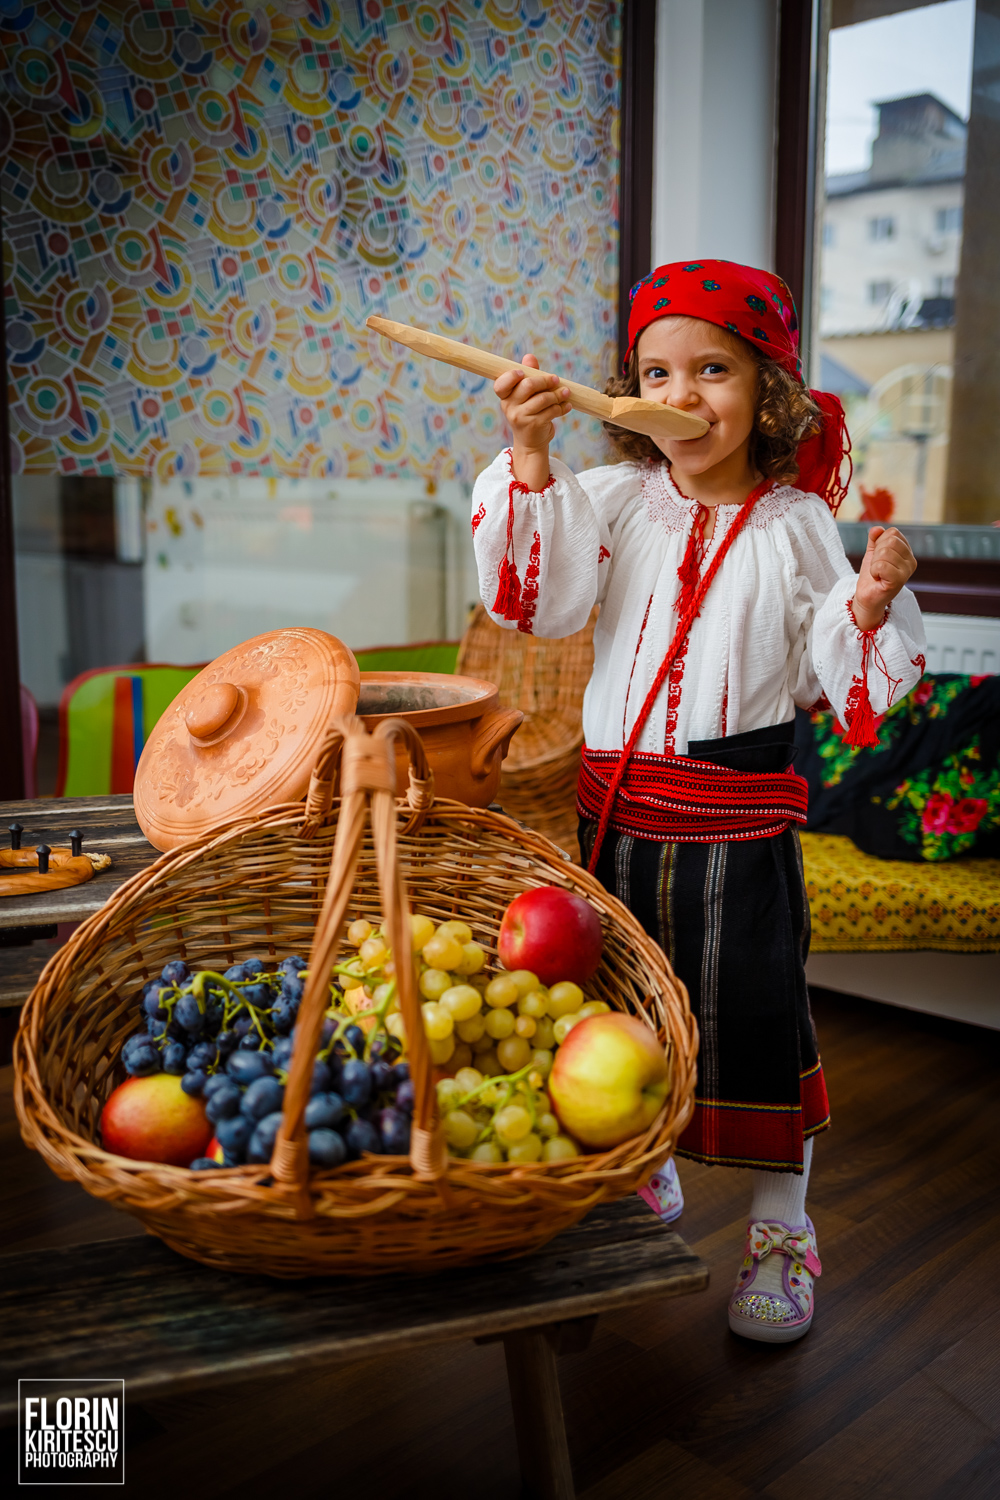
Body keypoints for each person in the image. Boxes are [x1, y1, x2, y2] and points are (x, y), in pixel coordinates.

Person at [470, 259, 924, 1343]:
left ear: (768, 392)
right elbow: (538, 602)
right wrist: (529, 453)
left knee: (755, 1026)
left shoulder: (795, 521)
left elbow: (824, 668)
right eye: (655, 372)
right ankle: (645, 1169)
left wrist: (866, 604)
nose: (680, 394)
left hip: (737, 825)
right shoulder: (609, 500)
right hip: (617, 818)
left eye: (712, 369)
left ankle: (782, 1233)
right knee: (621, 1013)